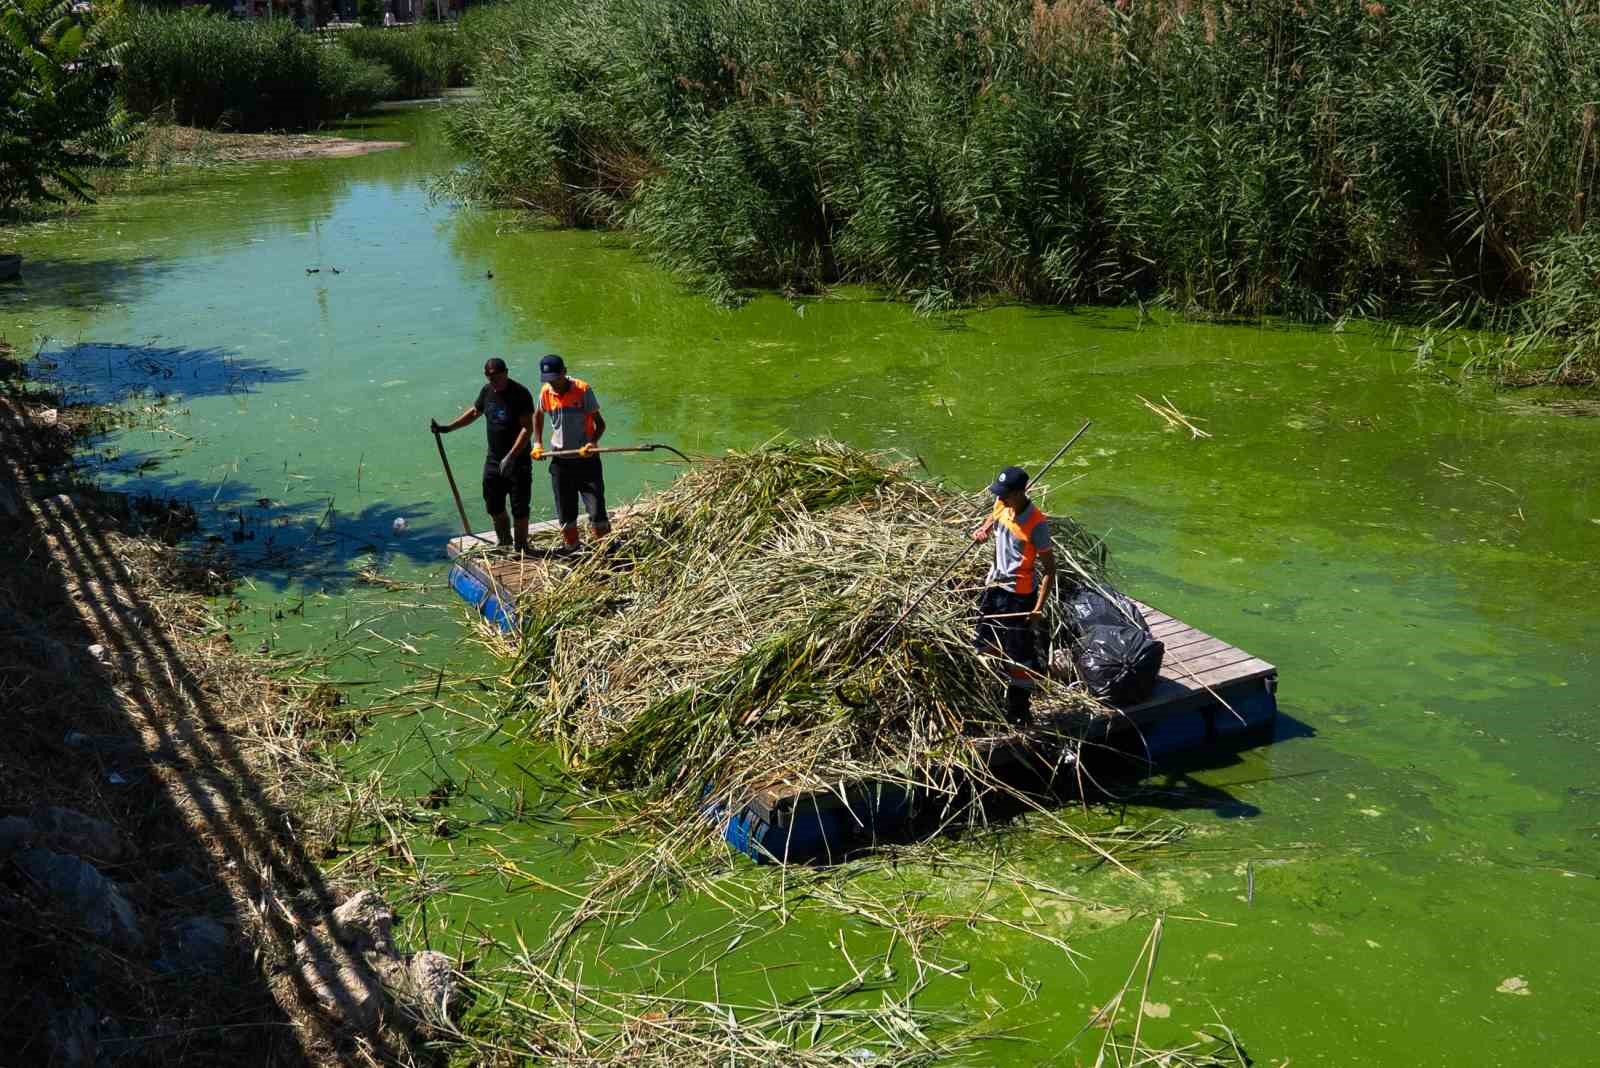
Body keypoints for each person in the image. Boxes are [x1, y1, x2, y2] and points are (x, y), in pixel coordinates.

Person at [971, 465, 1055, 726]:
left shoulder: (1036, 524)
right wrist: (983, 530)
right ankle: (991, 697)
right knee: (984, 644)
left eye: (1006, 494)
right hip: (994, 587)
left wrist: (1038, 609)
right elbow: (992, 517)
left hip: (1019, 596)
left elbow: (1050, 570)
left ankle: (1019, 710)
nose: (1002, 498)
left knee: (1019, 656)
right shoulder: (1002, 504)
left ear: (1020, 493)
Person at [430, 357, 535, 552]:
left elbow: (527, 429)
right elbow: (474, 412)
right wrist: (448, 428)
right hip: (494, 459)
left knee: (519, 507)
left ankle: (521, 548)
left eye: (496, 376)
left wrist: (511, 456)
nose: (493, 381)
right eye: (489, 377)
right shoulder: (487, 391)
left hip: (517, 460)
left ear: (506, 373)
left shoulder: (520, 394)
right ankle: (504, 542)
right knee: (494, 505)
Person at [532, 353, 609, 550]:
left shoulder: (582, 390)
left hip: (586, 460)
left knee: (596, 509)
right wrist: (537, 443)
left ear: (564, 372)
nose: (553, 384)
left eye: (555, 379)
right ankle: (572, 548)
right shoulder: (546, 392)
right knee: (566, 512)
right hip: (560, 461)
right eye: (548, 380)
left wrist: (592, 443)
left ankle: (605, 549)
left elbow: (600, 424)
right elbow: (538, 415)